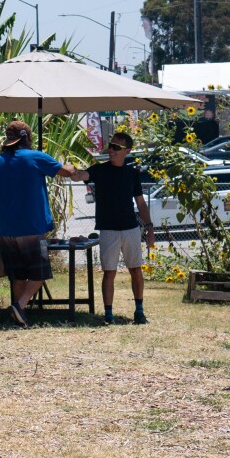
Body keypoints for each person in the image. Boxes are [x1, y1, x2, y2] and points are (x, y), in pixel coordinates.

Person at [0, 121, 76, 328]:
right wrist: (72, 166)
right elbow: (66, 172)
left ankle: (19, 315)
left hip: (6, 232)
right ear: (27, 138)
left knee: (18, 275)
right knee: (40, 273)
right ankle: (20, 305)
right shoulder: (36, 157)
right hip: (32, 229)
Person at [72, 132, 155, 325]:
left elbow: (141, 203)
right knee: (109, 272)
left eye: (116, 147)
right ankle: (108, 313)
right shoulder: (99, 170)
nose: (111, 150)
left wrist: (149, 228)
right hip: (108, 229)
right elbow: (81, 176)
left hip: (131, 228)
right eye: (110, 146)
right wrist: (70, 171)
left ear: (127, 151)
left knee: (136, 269)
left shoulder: (132, 173)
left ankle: (139, 311)